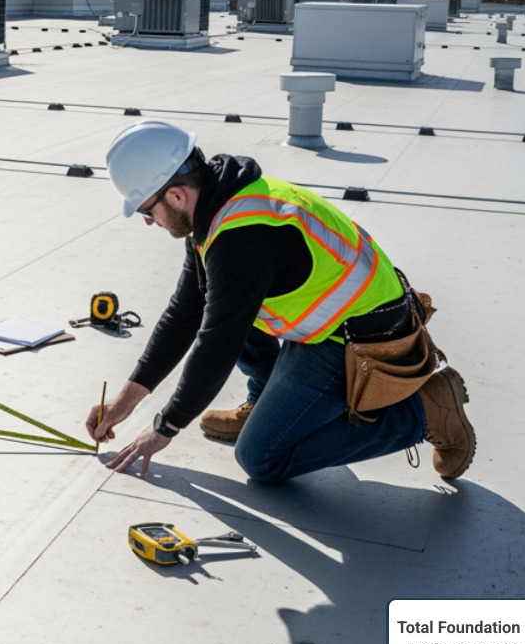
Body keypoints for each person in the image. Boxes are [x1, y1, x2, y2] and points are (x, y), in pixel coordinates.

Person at [86, 119, 475, 482]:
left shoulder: (243, 237)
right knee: (223, 301)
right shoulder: (219, 204)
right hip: (337, 319)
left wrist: (164, 427)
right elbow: (186, 312)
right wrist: (127, 399)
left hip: (359, 338)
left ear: (175, 195)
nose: (148, 221)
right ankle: (265, 400)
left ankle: (424, 411)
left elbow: (218, 341)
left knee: (261, 458)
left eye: (146, 210)